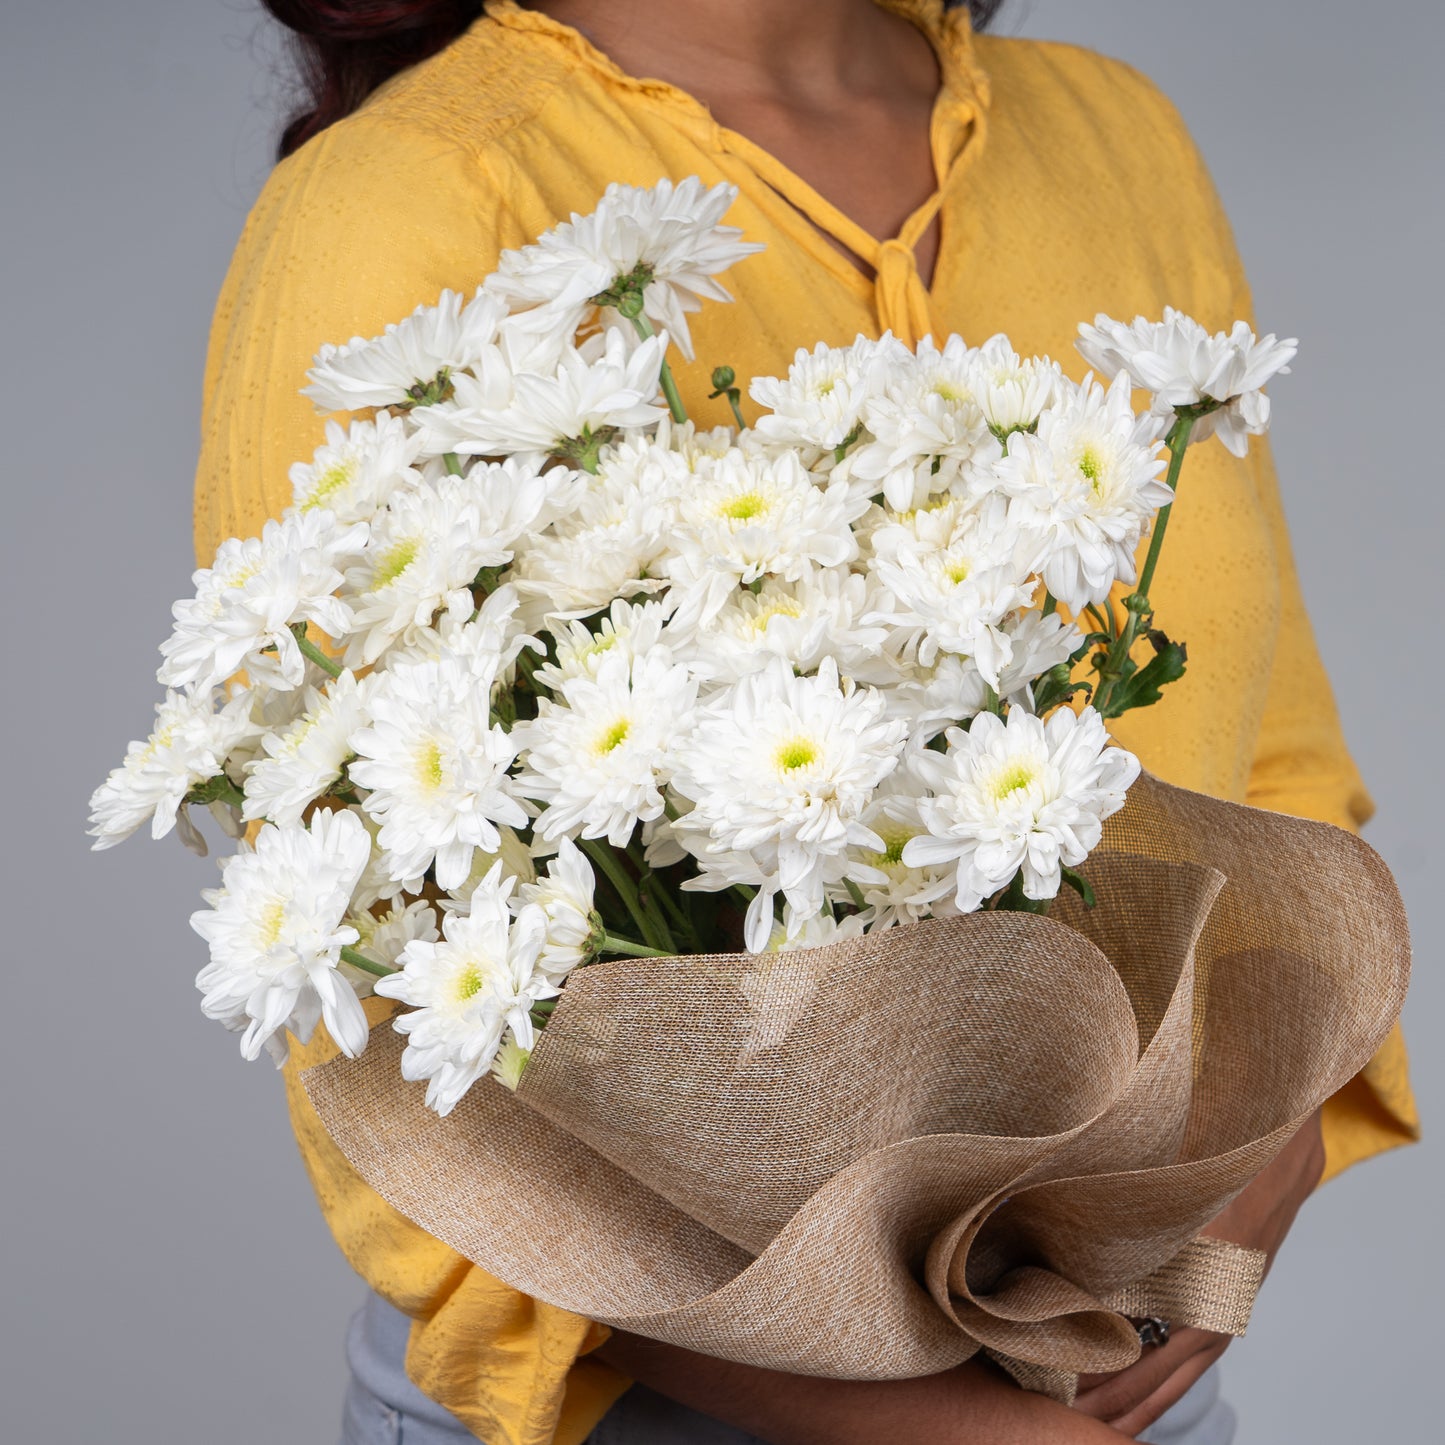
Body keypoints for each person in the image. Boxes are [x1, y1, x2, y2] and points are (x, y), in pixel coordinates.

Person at [194, 1, 1419, 1440]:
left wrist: (1256, 1165)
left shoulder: (1110, 132)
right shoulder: (413, 192)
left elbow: (1279, 776)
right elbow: (384, 993)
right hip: (660, 1403)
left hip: (1108, 1363)